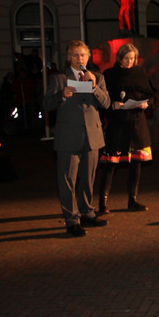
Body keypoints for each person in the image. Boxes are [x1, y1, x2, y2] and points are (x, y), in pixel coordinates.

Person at [43, 40, 111, 237]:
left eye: (82, 55)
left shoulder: (97, 77)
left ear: (88, 57)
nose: (79, 59)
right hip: (68, 136)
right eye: (75, 55)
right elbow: (47, 104)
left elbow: (106, 103)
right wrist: (62, 96)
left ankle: (87, 212)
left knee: (88, 178)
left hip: (92, 136)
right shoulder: (59, 79)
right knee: (68, 180)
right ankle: (72, 220)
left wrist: (95, 86)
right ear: (68, 57)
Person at [97, 42, 155, 213]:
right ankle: (103, 203)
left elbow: (151, 94)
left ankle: (133, 199)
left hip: (137, 123)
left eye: (132, 59)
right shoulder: (110, 75)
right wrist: (112, 106)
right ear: (120, 58)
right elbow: (103, 100)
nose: (129, 62)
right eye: (126, 58)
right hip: (118, 123)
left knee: (136, 163)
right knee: (110, 164)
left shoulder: (139, 73)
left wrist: (146, 104)